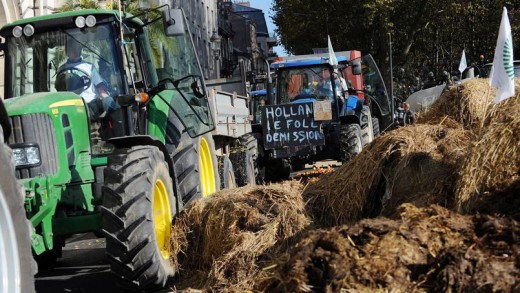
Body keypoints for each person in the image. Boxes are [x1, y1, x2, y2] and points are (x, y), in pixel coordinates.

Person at [56, 38, 118, 119]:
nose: (75, 51)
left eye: (78, 48)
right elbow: (59, 88)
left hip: (89, 103)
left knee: (109, 102)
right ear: (67, 51)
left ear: (81, 50)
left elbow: (100, 86)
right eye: (72, 48)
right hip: (69, 103)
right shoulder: (62, 69)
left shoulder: (89, 67)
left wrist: (105, 97)